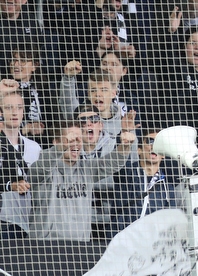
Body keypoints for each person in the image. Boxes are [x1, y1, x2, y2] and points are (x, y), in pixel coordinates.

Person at [29, 120, 136, 241]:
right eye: (70, 139)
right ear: (56, 142)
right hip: (45, 245)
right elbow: (43, 165)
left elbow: (112, 162)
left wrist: (125, 146)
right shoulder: (43, 166)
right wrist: (61, 147)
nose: (76, 144)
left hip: (80, 248)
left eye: (79, 139)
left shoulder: (87, 169)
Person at [0, 91, 40, 239]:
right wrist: (11, 185)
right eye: (9, 108)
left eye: (19, 107)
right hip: (5, 221)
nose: (15, 112)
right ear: (1, 112)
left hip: (30, 221)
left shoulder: (34, 147)